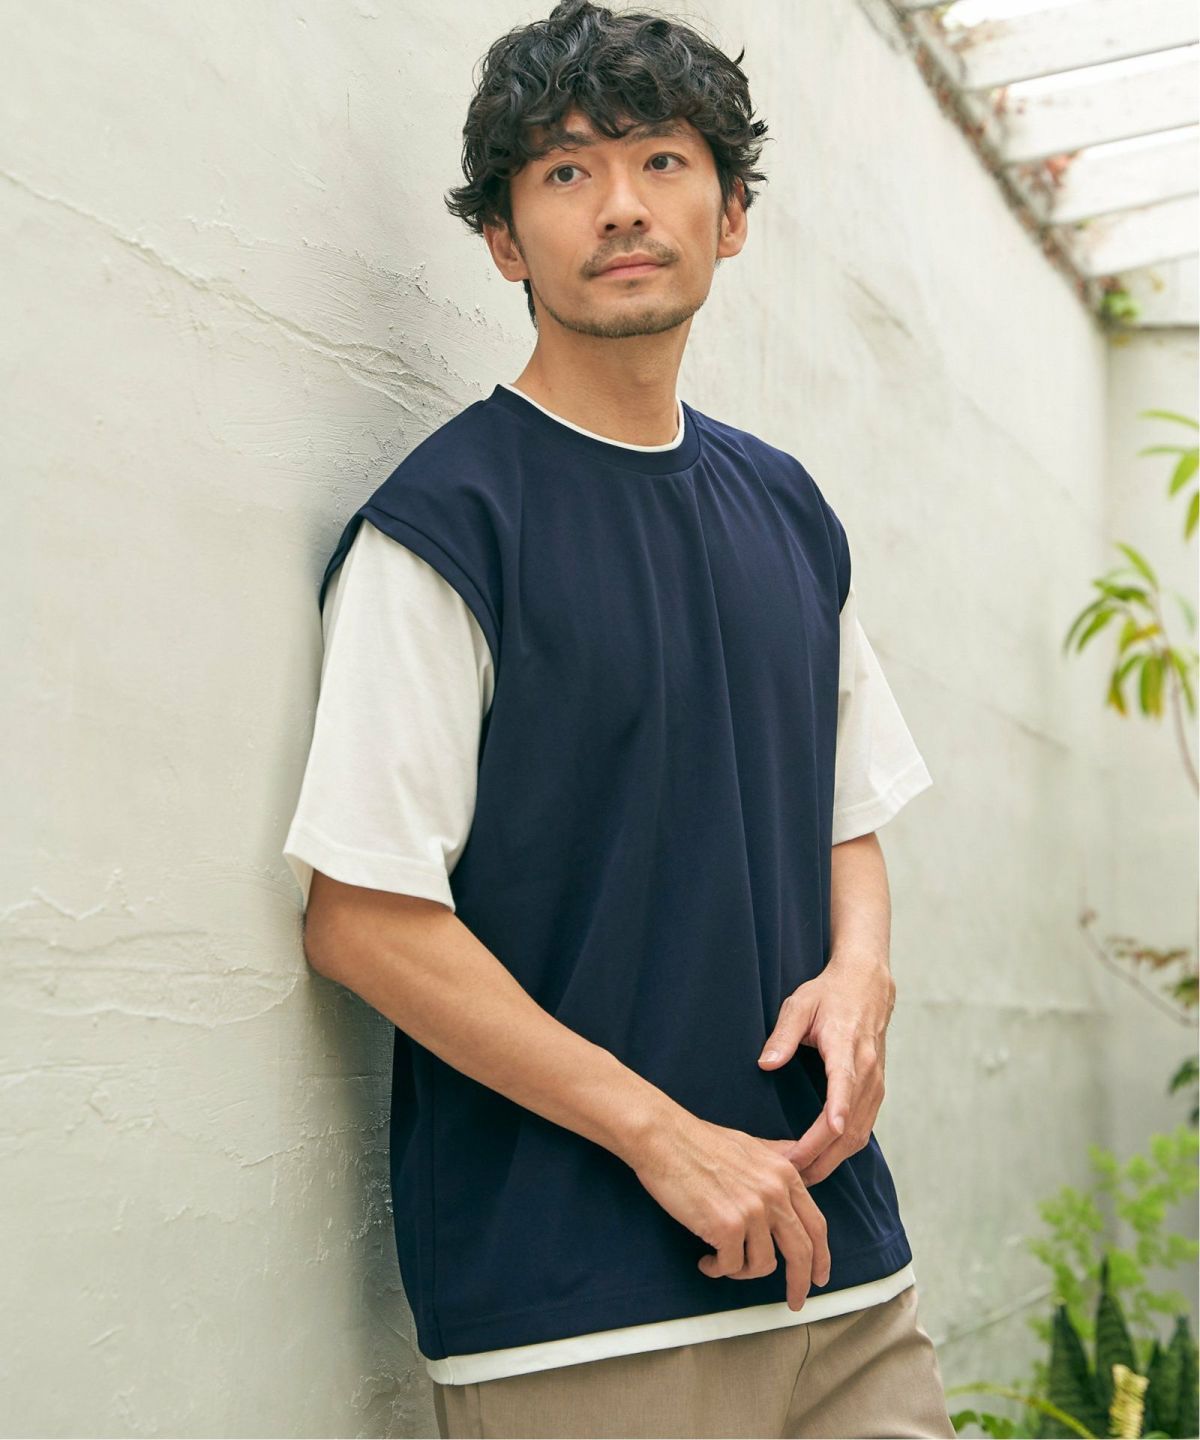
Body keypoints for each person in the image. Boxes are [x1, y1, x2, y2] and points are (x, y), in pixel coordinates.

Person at [282, 2, 957, 1436]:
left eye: (660, 161)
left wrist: (863, 976)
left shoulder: (787, 506)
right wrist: (665, 1138)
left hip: (845, 1276)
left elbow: (848, 813)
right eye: (565, 172)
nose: (623, 206)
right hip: (577, 1314)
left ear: (732, 216)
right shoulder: (446, 527)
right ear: (505, 241)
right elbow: (362, 920)